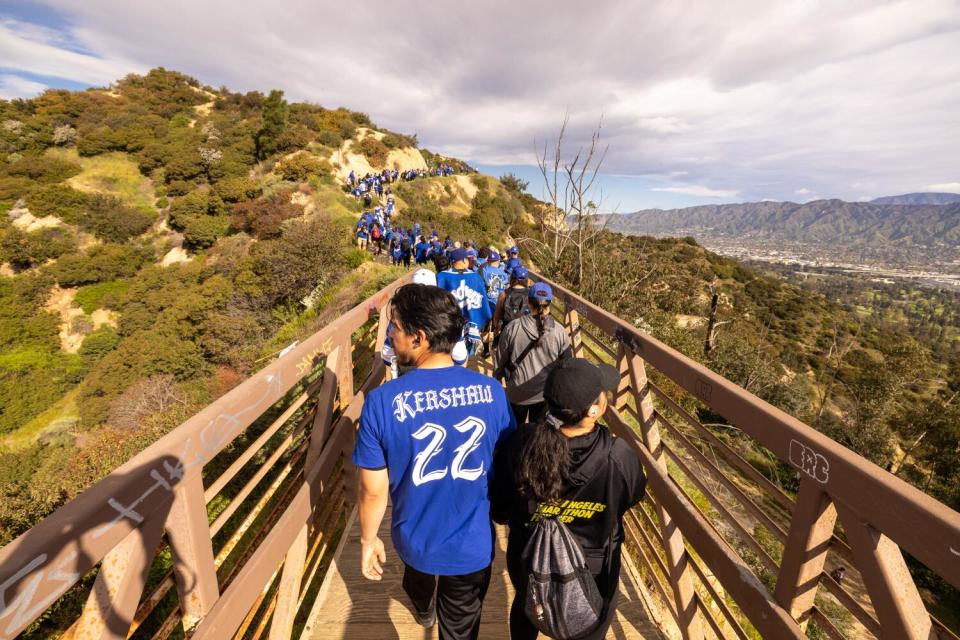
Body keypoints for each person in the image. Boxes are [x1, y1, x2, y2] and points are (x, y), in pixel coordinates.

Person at [355, 284, 517, 639]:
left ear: (420, 337)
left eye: (395, 327)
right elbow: (508, 460)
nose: (390, 335)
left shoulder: (381, 402)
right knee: (460, 627)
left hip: (415, 538)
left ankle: (424, 607)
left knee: (418, 579)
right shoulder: (491, 391)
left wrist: (368, 540)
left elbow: (371, 491)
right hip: (472, 543)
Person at [491, 358, 646, 640]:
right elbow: (631, 497)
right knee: (590, 626)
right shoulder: (618, 458)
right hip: (593, 568)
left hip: (529, 558)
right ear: (594, 410)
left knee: (527, 607)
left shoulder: (519, 445)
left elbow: (499, 510)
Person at [496, 282, 571, 424]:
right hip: (544, 395)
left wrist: (498, 380)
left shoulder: (513, 327)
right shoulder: (560, 332)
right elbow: (565, 365)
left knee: (515, 432)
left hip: (516, 393)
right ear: (550, 303)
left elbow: (500, 361)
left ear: (528, 302)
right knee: (537, 433)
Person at [437, 248, 492, 357]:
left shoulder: (442, 276)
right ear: (463, 260)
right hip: (469, 324)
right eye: (467, 259)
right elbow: (483, 304)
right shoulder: (475, 277)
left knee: (448, 353)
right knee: (462, 356)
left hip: (448, 324)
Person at [478, 250, 508, 357]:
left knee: (485, 329)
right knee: (497, 327)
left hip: (486, 304)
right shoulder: (504, 274)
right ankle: (495, 345)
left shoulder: (483, 270)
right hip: (498, 304)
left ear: (488, 260)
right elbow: (505, 290)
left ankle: (486, 350)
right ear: (498, 261)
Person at [492, 266, 531, 346]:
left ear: (512, 278)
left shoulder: (503, 294)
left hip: (507, 333)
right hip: (526, 334)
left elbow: (496, 317)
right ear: (527, 280)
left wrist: (496, 327)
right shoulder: (531, 295)